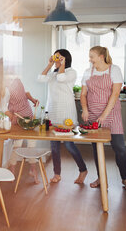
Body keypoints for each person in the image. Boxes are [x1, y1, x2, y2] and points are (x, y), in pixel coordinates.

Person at [80, 46, 126, 192]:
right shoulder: (87, 72)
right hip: (93, 115)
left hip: (112, 115)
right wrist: (85, 109)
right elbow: (83, 94)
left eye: (92, 56)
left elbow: (115, 94)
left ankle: (125, 179)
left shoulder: (114, 70)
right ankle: (101, 178)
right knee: (97, 149)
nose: (89, 59)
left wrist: (104, 115)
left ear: (101, 56)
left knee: (120, 149)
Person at [38, 49, 88, 184]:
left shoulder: (71, 72)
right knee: (54, 146)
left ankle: (83, 169)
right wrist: (50, 64)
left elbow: (61, 78)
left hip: (66, 113)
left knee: (69, 145)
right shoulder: (54, 73)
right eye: (55, 57)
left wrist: (62, 64)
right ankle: (57, 173)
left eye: (58, 58)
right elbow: (41, 78)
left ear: (65, 59)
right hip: (53, 112)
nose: (56, 60)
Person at [0, 59, 40, 184]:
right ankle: (12, 170)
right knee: (17, 145)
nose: (13, 67)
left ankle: (32, 169)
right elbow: (4, 108)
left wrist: (32, 99)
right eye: (10, 66)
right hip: (19, 120)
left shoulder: (16, 79)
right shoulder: (5, 88)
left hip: (29, 115)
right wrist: (12, 117)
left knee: (32, 145)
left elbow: (24, 93)